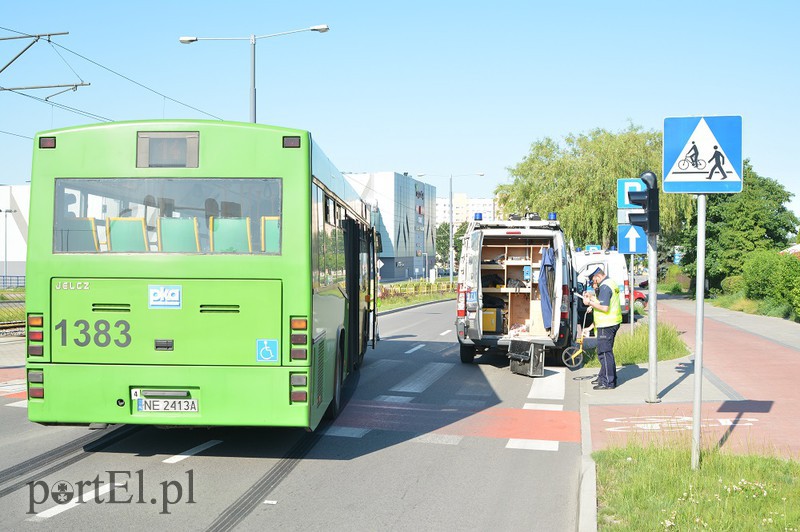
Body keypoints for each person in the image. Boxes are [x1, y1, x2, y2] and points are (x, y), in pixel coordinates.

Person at [582, 266, 622, 389]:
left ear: (598, 276)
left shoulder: (604, 287)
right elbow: (604, 301)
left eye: (594, 281)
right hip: (611, 322)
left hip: (607, 324)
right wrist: (593, 300)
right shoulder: (610, 282)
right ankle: (603, 376)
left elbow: (605, 308)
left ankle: (607, 382)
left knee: (604, 353)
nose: (594, 284)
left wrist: (589, 303)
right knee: (606, 352)